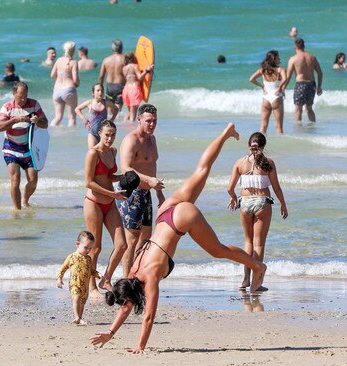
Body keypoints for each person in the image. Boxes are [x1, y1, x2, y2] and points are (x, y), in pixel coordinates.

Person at [90, 123, 267, 353]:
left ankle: (257, 266)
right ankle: (226, 133)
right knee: (202, 169)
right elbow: (127, 303)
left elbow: (149, 316)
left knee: (218, 250)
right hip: (166, 213)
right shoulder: (132, 272)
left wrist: (140, 346)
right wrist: (111, 333)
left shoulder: (149, 276)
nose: (128, 305)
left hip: (181, 219)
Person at [227, 132, 287, 291]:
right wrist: (283, 204)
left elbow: (229, 188)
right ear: (263, 146)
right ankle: (256, 282)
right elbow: (277, 187)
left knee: (248, 242)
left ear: (249, 145)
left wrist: (233, 198)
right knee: (259, 244)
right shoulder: (269, 163)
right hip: (262, 203)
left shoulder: (240, 163)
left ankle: (246, 278)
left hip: (245, 203)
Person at [117, 104, 165, 278]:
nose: (152, 124)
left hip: (147, 193)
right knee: (131, 239)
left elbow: (151, 165)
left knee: (146, 239)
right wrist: (149, 180)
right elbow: (125, 168)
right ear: (139, 119)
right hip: (132, 192)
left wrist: (158, 191)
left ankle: (135, 276)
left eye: (155, 121)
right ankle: (126, 280)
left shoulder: (152, 139)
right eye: (148, 121)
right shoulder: (132, 140)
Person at [83, 120, 131, 295]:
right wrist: (113, 195)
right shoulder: (93, 153)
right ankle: (92, 287)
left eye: (113, 135)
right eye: (107, 134)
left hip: (110, 203)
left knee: (122, 245)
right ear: (100, 134)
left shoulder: (113, 151)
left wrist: (126, 177)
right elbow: (89, 182)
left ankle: (106, 279)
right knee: (95, 247)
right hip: (94, 203)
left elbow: (109, 177)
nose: (110, 138)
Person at [0, 82, 48, 209]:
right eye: (20, 97)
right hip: (11, 147)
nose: (23, 99)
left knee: (33, 180)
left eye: (25, 96)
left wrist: (38, 121)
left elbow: (45, 123)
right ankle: (17, 210)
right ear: (14, 94)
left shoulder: (34, 104)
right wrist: (14, 120)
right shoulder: (7, 107)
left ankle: (25, 200)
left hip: (29, 147)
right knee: (15, 179)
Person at [57, 231, 100, 325]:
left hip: (85, 286)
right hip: (74, 284)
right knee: (76, 298)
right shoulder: (72, 257)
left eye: (90, 248)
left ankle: (79, 318)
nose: (88, 250)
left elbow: (91, 271)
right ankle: (76, 317)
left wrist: (98, 275)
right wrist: (59, 279)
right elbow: (63, 268)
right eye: (86, 247)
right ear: (77, 244)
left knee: (82, 303)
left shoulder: (88, 259)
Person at [280, 37, 323, 123]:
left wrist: (283, 88)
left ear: (295, 47)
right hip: (312, 85)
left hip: (301, 85)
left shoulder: (293, 59)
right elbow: (320, 73)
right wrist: (319, 87)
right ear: (304, 46)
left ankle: (298, 130)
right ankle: (312, 127)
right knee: (309, 108)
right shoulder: (312, 58)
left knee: (298, 109)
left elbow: (288, 76)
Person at [249, 50, 286, 134]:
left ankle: (259, 145)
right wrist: (280, 88)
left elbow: (251, 79)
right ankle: (280, 147)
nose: (279, 59)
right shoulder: (280, 69)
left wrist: (262, 86)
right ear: (274, 59)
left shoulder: (262, 70)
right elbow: (285, 79)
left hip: (266, 98)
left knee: (263, 126)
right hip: (276, 97)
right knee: (279, 127)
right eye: (278, 57)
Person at [50, 41, 80, 127]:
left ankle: (51, 131)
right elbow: (75, 79)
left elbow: (52, 75)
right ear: (73, 50)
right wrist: (77, 84)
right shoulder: (74, 62)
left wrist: (60, 78)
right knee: (72, 117)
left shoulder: (59, 60)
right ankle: (71, 138)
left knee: (58, 117)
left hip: (57, 90)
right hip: (68, 90)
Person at [121, 52, 154, 122]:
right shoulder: (135, 66)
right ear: (133, 58)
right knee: (133, 114)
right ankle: (131, 128)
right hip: (134, 89)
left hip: (126, 90)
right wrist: (147, 70)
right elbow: (139, 77)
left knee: (129, 111)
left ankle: (123, 125)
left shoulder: (124, 68)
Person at [98, 39, 126, 116]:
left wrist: (99, 89)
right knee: (118, 110)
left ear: (113, 48)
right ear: (121, 48)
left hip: (109, 87)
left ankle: (110, 125)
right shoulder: (124, 59)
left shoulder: (106, 60)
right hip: (120, 86)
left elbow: (101, 76)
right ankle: (117, 126)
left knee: (110, 111)